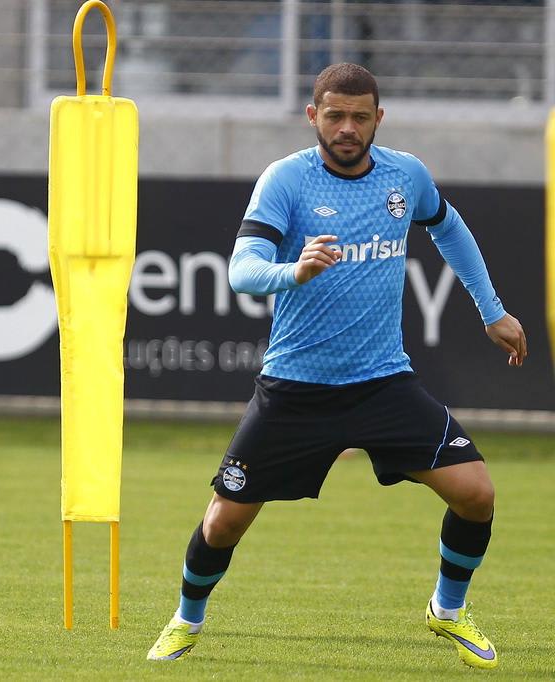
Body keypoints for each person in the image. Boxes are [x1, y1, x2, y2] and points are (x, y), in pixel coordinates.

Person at [146, 63, 527, 670]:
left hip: (382, 384)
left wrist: (492, 310)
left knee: (476, 494)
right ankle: (186, 620)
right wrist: (292, 271)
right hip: (294, 390)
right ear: (312, 116)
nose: (346, 128)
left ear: (379, 118)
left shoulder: (407, 176)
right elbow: (241, 271)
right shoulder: (286, 182)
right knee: (222, 524)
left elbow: (450, 229)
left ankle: (447, 610)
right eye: (334, 116)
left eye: (359, 116)